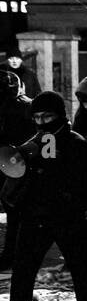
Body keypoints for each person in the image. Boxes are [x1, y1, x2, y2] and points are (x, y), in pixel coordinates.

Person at [0, 92, 87, 301]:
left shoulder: (75, 143)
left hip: (67, 218)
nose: (41, 122)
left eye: (47, 117)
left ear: (60, 116)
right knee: (22, 270)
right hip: (35, 217)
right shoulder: (33, 143)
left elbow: (83, 183)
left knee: (79, 266)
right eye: (37, 117)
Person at [0, 70, 33, 269]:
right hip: (21, 162)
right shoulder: (28, 105)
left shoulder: (9, 106)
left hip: (9, 160)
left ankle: (11, 255)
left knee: (14, 212)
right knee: (17, 214)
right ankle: (16, 254)